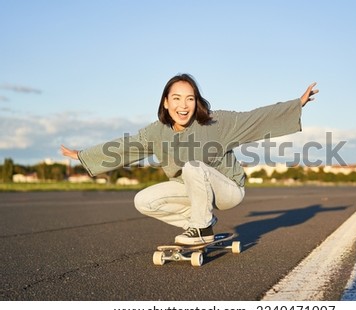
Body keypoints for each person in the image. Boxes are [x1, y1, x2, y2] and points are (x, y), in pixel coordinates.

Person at [61, 74, 318, 245]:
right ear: (165, 102)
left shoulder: (217, 122)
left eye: (189, 99)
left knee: (194, 166)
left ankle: (202, 227)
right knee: (143, 200)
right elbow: (125, 147)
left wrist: (297, 104)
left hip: (228, 189)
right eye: (176, 98)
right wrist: (83, 156)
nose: (183, 105)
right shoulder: (156, 132)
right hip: (193, 190)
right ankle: (201, 223)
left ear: (196, 102)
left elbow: (256, 118)